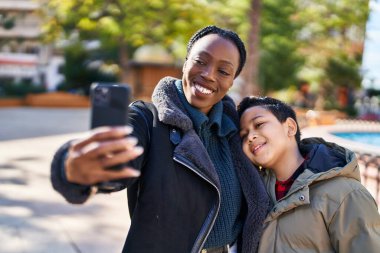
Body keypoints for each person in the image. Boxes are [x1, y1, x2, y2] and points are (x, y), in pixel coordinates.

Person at [51, 25, 270, 253]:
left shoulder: (237, 130)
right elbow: (117, 163)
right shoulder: (146, 120)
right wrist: (75, 169)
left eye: (223, 71)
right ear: (185, 63)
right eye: (201, 62)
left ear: (232, 81)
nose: (208, 75)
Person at [237, 96, 380, 253]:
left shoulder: (346, 194)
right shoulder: (254, 192)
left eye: (259, 124)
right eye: (244, 135)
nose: (250, 137)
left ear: (290, 127)